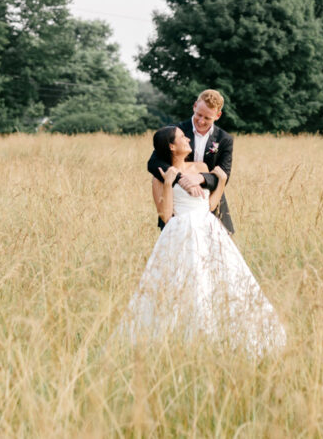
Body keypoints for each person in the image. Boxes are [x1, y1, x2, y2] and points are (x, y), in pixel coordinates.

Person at [120, 125, 285, 356]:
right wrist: (168, 183)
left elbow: (210, 206)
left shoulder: (201, 167)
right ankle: (183, 340)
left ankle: (222, 337)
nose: (187, 138)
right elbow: (166, 216)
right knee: (184, 283)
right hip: (181, 232)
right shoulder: (160, 176)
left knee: (221, 280)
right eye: (181, 137)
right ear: (171, 146)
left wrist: (222, 182)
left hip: (209, 228)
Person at [147, 89, 235, 234]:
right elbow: (153, 162)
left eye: (207, 118)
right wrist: (181, 179)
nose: (201, 121)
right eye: (199, 115)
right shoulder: (177, 131)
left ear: (218, 115)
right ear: (194, 106)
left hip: (208, 203)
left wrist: (200, 177)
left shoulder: (224, 139)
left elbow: (224, 174)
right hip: (177, 203)